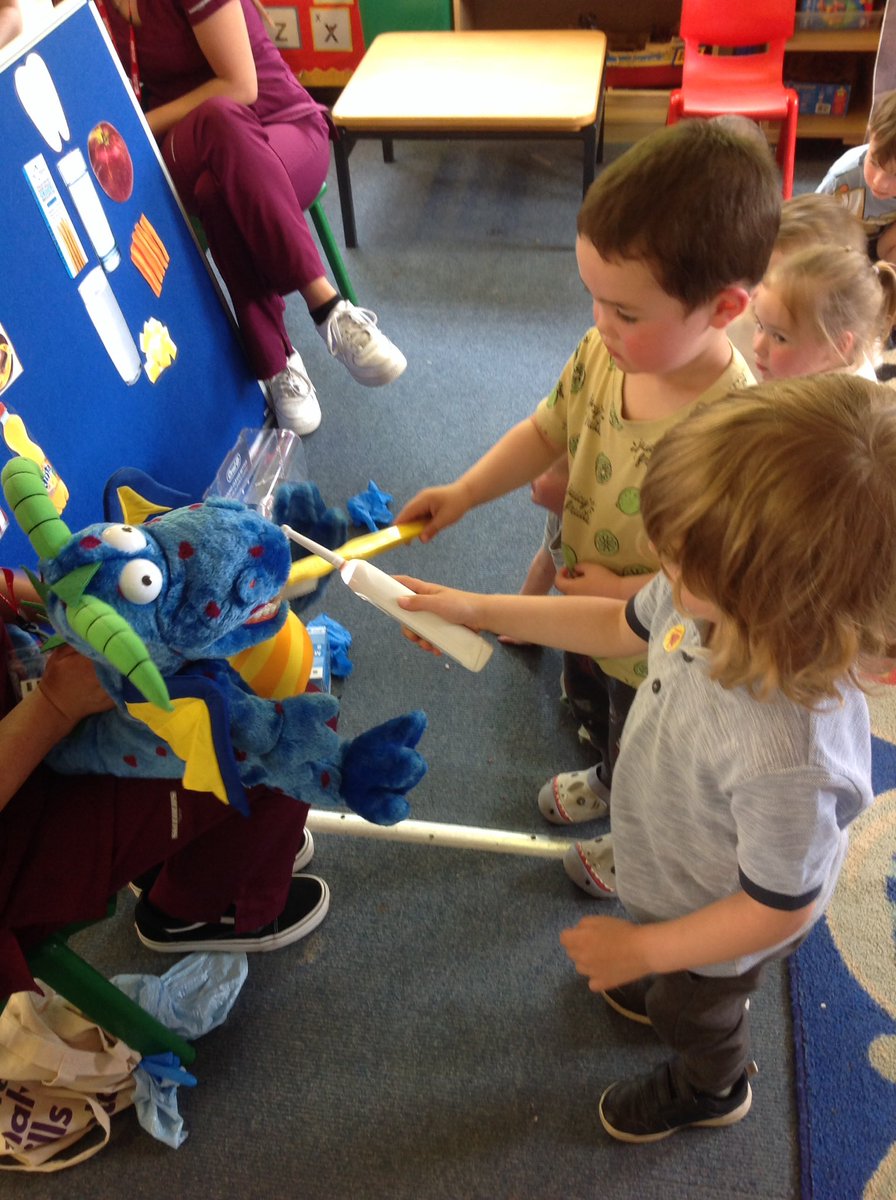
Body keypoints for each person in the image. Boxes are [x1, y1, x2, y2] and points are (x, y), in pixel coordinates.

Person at [396, 374, 895, 1141]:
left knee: (701, 1014)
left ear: (788, 610)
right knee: (674, 981)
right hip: (675, 863)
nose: (662, 561)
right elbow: (619, 624)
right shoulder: (709, 601)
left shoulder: (789, 756)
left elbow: (777, 905)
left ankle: (712, 1088)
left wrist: (647, 946)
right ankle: (667, 979)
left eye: (685, 562)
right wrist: (477, 609)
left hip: (724, 921)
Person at [396, 118, 780, 896]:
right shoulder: (604, 352)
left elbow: (712, 594)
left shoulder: (734, 431)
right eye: (593, 299)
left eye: (626, 313)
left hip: (658, 646)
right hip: (587, 617)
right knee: (598, 709)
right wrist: (468, 492)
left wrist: (620, 596)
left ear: (724, 308)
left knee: (647, 741)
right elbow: (546, 428)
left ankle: (632, 831)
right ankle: (609, 776)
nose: (601, 323)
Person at [0, 568, 327, 1000]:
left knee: (253, 667)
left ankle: (201, 851)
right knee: (287, 728)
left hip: (32, 717)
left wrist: (85, 601)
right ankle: (198, 909)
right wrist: (55, 707)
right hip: (22, 836)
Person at [94, 0, 406, 437]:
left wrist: (138, 124)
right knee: (216, 131)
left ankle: (276, 363)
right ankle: (328, 308)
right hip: (184, 141)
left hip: (281, 127)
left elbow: (239, 86)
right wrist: (139, 127)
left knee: (217, 188)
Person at [727, 191, 868, 374]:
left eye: (776, 281)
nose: (755, 292)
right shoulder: (746, 317)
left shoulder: (849, 381)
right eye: (761, 276)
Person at [752, 244, 896, 381]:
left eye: (779, 337)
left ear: (838, 345)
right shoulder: (827, 368)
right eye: (760, 325)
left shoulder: (829, 404)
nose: (757, 347)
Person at [817, 89, 896, 265]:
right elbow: (814, 223)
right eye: (874, 163)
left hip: (884, 246)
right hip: (841, 246)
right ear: (870, 134)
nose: (879, 182)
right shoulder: (843, 178)